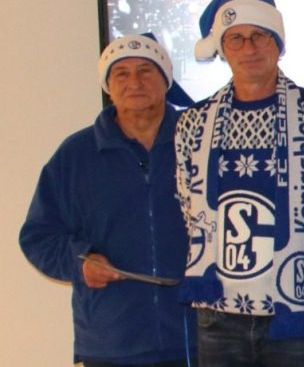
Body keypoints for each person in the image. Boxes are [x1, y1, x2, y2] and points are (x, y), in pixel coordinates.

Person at [175, 0, 304, 366]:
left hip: (300, 315)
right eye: (236, 38)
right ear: (222, 48)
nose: (249, 48)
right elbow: (189, 209)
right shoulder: (192, 124)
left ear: (278, 43)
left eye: (260, 35)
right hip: (218, 315)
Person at [19, 33, 196, 367]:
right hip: (111, 343)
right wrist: (81, 261)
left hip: (198, 338)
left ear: (166, 80)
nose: (135, 82)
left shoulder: (202, 144)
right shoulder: (75, 156)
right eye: (121, 74)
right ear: (108, 86)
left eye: (146, 71)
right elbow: (38, 237)